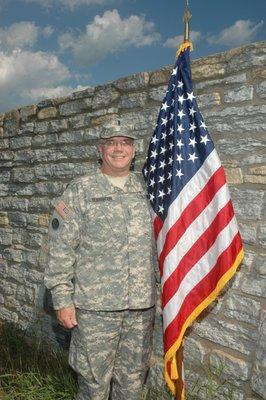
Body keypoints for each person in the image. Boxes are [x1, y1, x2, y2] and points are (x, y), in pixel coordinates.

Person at [44, 119, 158, 400]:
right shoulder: (80, 191)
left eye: (125, 143)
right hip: (95, 310)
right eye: (111, 142)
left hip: (141, 308)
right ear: (100, 149)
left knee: (132, 384)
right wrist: (62, 300)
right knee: (93, 385)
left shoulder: (149, 190)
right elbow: (59, 249)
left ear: (134, 150)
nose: (119, 148)